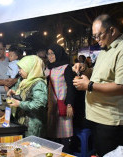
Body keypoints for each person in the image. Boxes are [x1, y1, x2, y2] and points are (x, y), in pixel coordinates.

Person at [73, 14, 123, 157]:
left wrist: (89, 86)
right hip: (96, 116)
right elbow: (99, 74)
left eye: (99, 35)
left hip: (110, 121)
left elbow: (121, 86)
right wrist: (85, 69)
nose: (96, 40)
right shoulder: (106, 49)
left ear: (112, 30)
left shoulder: (121, 49)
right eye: (94, 36)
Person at [7, 55, 47, 137]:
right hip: (21, 121)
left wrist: (19, 104)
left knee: (31, 148)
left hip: (32, 126)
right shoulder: (23, 80)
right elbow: (19, 92)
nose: (19, 71)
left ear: (30, 68)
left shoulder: (39, 84)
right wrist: (12, 93)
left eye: (21, 68)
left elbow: (39, 104)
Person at [46, 44, 75, 153]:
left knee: (64, 135)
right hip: (52, 107)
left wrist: (69, 105)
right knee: (53, 133)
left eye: (52, 53)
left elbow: (71, 87)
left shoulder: (66, 67)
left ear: (58, 53)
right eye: (48, 54)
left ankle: (65, 153)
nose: (50, 56)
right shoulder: (49, 68)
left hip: (63, 106)